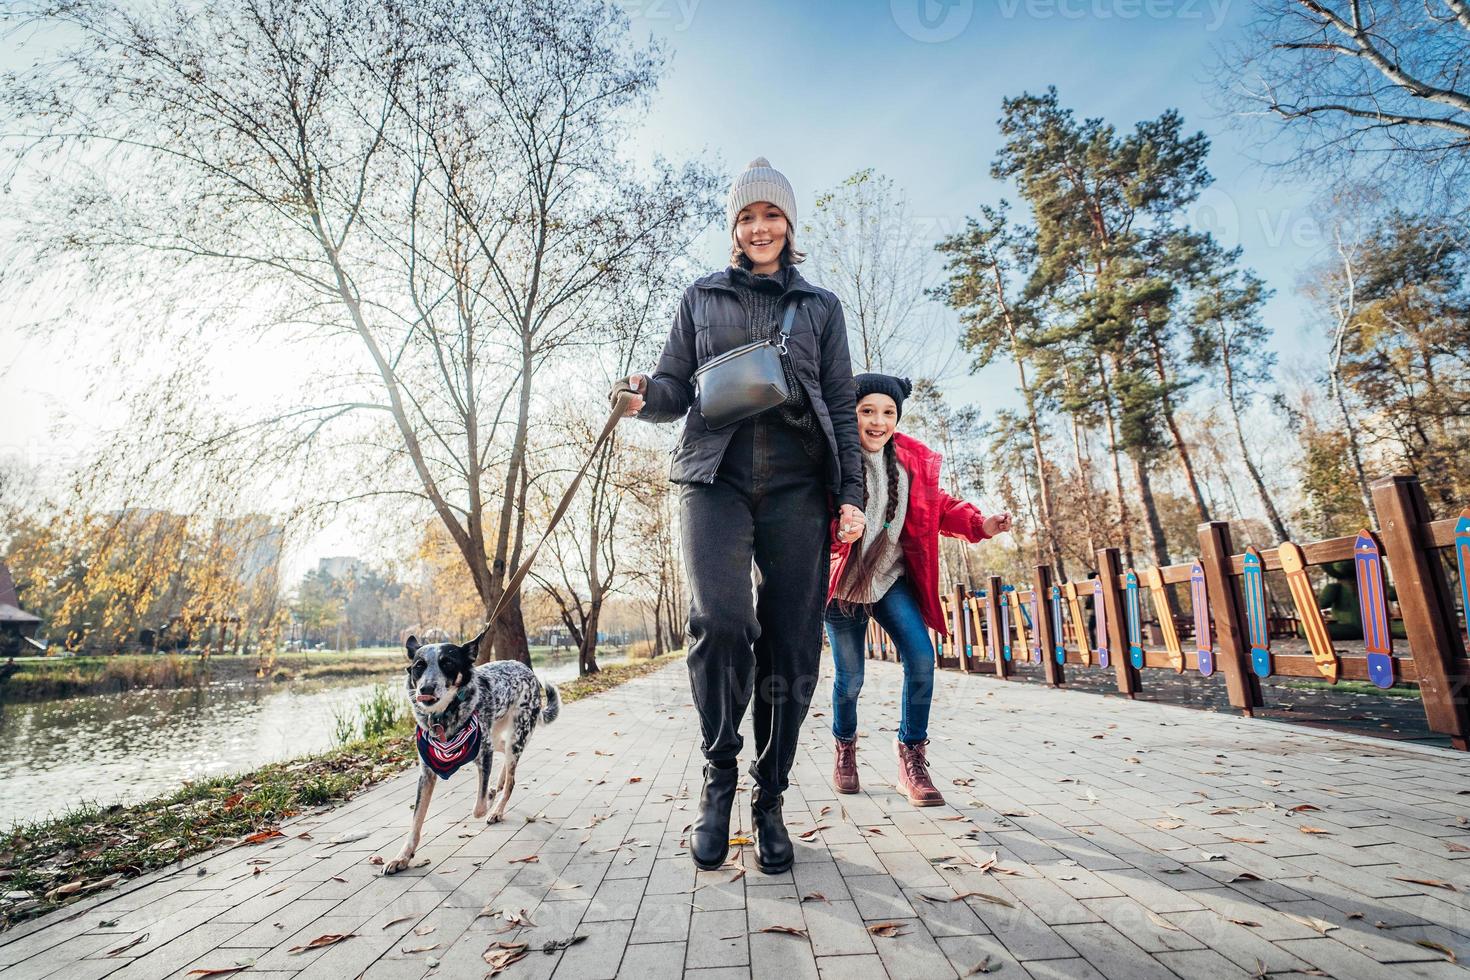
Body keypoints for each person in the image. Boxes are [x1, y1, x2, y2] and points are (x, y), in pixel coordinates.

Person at [619, 158, 865, 875]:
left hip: (797, 484)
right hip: (713, 476)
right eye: (747, 218)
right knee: (721, 622)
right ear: (734, 228)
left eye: (772, 216)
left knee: (792, 644)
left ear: (789, 225)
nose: (760, 228)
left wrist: (851, 493)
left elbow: (843, 405)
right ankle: (719, 776)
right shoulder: (701, 297)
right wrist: (643, 396)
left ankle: (771, 798)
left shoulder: (820, 308)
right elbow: (672, 384)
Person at [825, 374, 1011, 806]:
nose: (878, 421)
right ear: (850, 414)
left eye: (887, 412)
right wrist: (839, 534)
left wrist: (980, 524)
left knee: (922, 658)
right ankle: (845, 749)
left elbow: (940, 507)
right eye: (867, 411)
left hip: (889, 580)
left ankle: (912, 755)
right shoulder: (832, 460)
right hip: (840, 589)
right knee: (850, 679)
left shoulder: (910, 462)